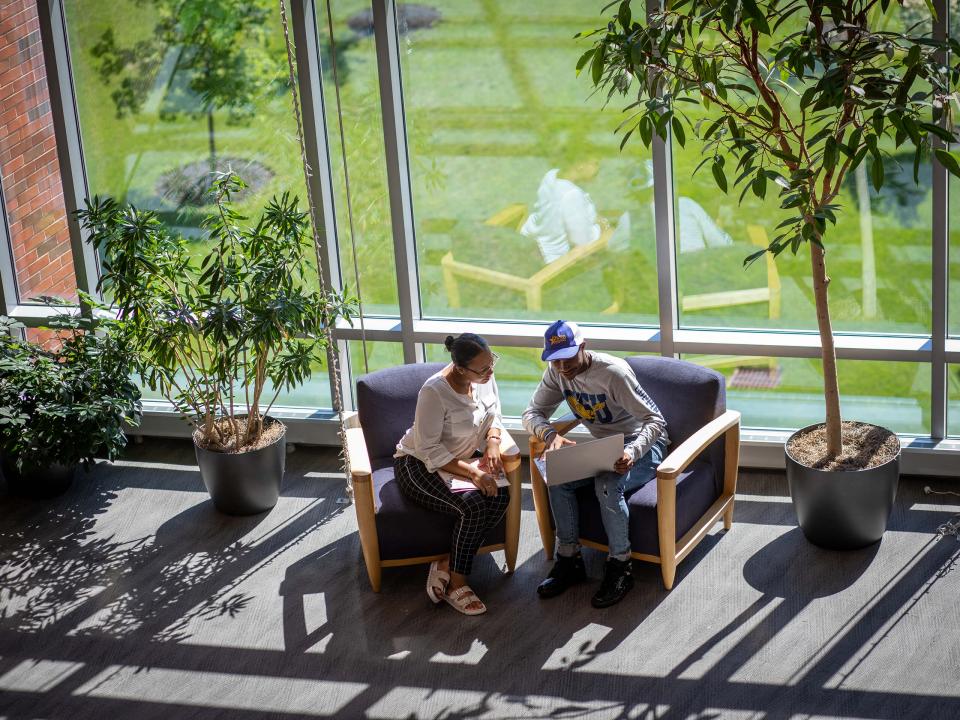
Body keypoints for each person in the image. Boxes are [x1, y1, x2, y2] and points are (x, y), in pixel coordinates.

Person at [522, 320, 669, 608]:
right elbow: (531, 413)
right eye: (555, 362)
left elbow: (656, 421)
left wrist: (633, 452)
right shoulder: (557, 374)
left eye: (567, 358)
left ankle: (621, 566)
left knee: (606, 485)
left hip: (644, 445)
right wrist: (549, 435)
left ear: (583, 347)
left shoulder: (612, 374)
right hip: (605, 448)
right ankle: (569, 559)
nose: (562, 368)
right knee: (557, 474)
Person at [393, 333, 510, 616]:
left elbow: (494, 411)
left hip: (463, 458)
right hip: (418, 462)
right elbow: (429, 448)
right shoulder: (434, 392)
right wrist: (473, 474)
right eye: (483, 368)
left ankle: (446, 562)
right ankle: (457, 585)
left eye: (491, 361)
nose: (490, 371)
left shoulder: (482, 378)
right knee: (472, 506)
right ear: (460, 368)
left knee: (500, 494)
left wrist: (493, 441)